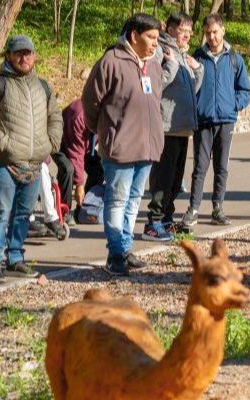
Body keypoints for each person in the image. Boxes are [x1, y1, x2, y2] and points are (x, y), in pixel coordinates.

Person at [82, 13, 165, 277]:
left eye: (157, 38)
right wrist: (106, 132)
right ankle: (115, 253)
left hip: (147, 147)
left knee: (133, 201)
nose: (155, 43)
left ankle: (125, 249)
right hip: (119, 147)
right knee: (116, 201)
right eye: (151, 37)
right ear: (133, 36)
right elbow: (90, 102)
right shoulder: (111, 61)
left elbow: (157, 99)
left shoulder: (153, 64)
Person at [0, 34, 62, 282]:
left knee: (23, 214)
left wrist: (50, 143)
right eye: (18, 53)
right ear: (9, 56)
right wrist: (4, 145)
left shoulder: (43, 86)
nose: (24, 57)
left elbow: (55, 118)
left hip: (35, 163)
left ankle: (15, 257)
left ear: (34, 56)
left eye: (28, 53)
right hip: (6, 162)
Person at [184, 13, 249, 228]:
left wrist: (233, 105)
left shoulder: (234, 59)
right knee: (200, 167)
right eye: (207, 33)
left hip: (226, 121)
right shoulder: (197, 57)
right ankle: (193, 209)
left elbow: (244, 90)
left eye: (215, 32)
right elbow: (189, 87)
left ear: (223, 31)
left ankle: (217, 208)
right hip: (203, 121)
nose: (211, 37)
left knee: (222, 167)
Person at [144, 12, 202, 239]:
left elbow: (190, 91)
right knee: (163, 178)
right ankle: (153, 223)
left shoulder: (180, 55)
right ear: (170, 30)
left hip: (182, 127)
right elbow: (154, 85)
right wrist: (172, 66)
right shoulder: (161, 51)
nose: (187, 35)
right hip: (166, 126)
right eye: (182, 30)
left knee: (176, 180)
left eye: (189, 31)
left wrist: (198, 70)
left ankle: (167, 219)